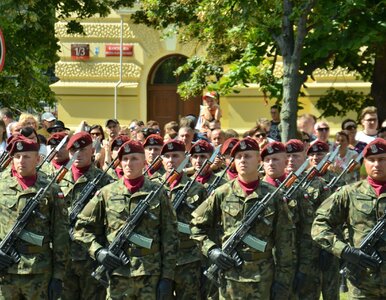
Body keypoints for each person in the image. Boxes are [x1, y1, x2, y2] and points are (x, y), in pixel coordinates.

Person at [191, 137, 295, 299]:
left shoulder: (273, 196)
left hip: (263, 278)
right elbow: (196, 226)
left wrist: (282, 281)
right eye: (238, 157)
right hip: (230, 277)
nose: (242, 160)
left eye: (248, 156)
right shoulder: (222, 193)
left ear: (259, 159)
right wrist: (212, 251)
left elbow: (285, 242)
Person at [73, 140, 179, 299]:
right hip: (117, 274)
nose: (129, 163)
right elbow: (81, 229)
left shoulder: (158, 193)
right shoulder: (106, 193)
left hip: (150, 274)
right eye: (125, 159)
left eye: (134, 159)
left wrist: (167, 277)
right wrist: (99, 251)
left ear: (144, 162)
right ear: (120, 163)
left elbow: (170, 236)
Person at [312, 138, 386, 299]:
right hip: (362, 285)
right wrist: (345, 251)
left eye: (382, 159)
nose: (376, 164)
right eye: (371, 160)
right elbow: (319, 226)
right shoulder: (349, 193)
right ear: (364, 162)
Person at [0, 136, 68, 299]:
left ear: (37, 159)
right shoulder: (1, 185)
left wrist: (58, 276)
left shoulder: (50, 188)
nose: (20, 161)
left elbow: (61, 233)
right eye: (17, 156)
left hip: (39, 271)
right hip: (5, 271)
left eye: (26, 156)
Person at [59, 132, 114, 300]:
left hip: (91, 257)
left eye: (83, 149)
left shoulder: (105, 182)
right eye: (73, 150)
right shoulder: (58, 180)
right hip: (64, 257)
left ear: (92, 150)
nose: (78, 154)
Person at [159, 139, 207, 299]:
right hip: (158, 259)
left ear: (185, 158)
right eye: (167, 156)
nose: (171, 160)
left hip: (188, 260)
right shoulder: (153, 188)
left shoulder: (198, 189)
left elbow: (205, 226)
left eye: (175, 156)